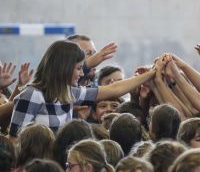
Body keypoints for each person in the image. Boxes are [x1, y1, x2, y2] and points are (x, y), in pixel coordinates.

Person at [9, 40, 155, 141]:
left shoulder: (70, 93)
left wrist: (151, 73)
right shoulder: (32, 95)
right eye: (78, 68)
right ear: (63, 69)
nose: (81, 73)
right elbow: (15, 141)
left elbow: (114, 90)